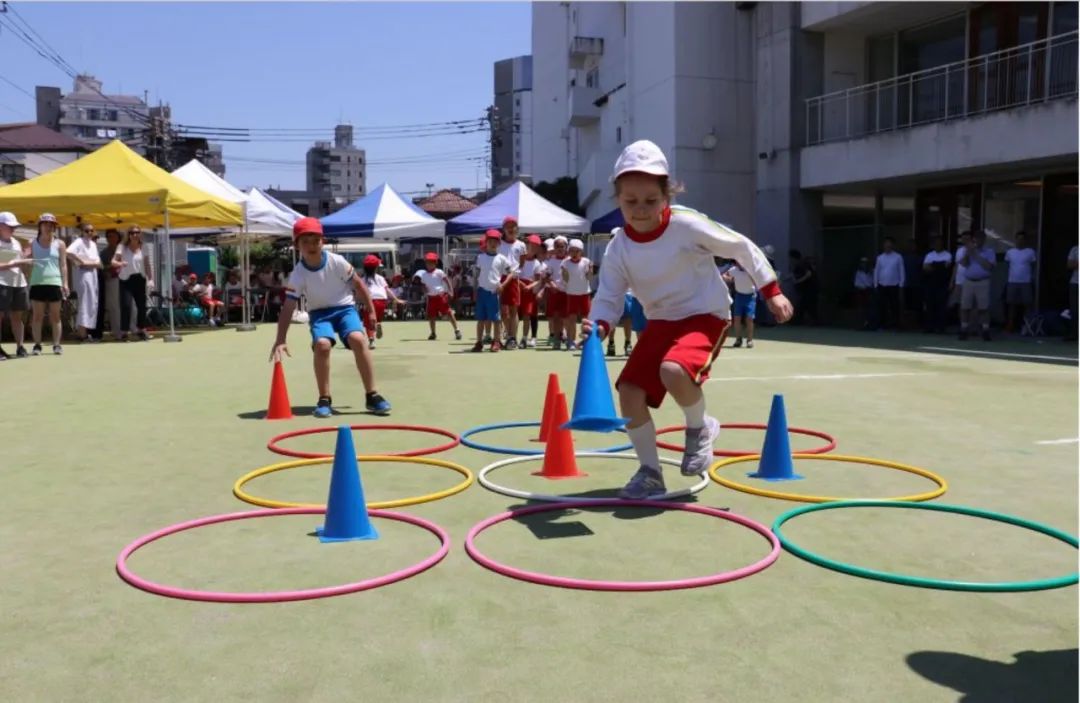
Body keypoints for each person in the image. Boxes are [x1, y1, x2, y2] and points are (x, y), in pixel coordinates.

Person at [582, 140, 793, 499]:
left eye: (651, 200)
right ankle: (650, 472)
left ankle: (700, 427)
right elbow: (609, 295)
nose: (641, 210)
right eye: (630, 202)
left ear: (667, 195)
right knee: (629, 392)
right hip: (661, 321)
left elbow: (739, 246)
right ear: (617, 198)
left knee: (675, 370)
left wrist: (770, 289)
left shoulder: (686, 225)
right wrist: (599, 324)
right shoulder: (618, 247)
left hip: (705, 315)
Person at [269, 217, 391, 418]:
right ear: (296, 245)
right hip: (320, 314)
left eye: (315, 240)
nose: (311, 245)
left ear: (322, 241)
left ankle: (373, 395)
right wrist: (280, 339)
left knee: (358, 339)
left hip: (345, 309)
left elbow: (359, 285)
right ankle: (324, 398)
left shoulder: (337, 262)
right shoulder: (298, 274)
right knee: (323, 345)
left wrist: (370, 311)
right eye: (305, 241)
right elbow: (288, 306)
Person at [28, 213, 69, 355]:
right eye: (45, 224)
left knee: (55, 316)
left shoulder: (60, 243)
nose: (48, 227)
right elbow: (23, 258)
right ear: (40, 226)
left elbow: (63, 264)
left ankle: (57, 345)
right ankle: (37, 345)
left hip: (55, 282)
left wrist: (65, 283)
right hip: (37, 282)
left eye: (51, 225)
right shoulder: (32, 243)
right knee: (37, 316)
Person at [472, 230, 514, 352]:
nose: (492, 243)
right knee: (481, 319)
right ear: (486, 242)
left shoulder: (502, 258)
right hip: (481, 292)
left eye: (495, 241)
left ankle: (496, 342)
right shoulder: (480, 257)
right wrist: (475, 290)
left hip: (493, 293)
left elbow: (511, 272)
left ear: (499, 243)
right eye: (490, 241)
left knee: (496, 319)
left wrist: (503, 285)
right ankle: (479, 342)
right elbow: (477, 275)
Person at [112, 225, 153, 341]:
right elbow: (113, 261)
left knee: (141, 306)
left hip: (139, 278)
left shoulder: (144, 247)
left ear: (140, 234)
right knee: (126, 305)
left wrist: (151, 279)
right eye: (132, 233)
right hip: (125, 279)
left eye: (137, 232)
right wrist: (120, 264)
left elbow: (147, 264)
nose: (135, 235)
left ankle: (141, 329)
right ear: (128, 235)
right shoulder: (122, 247)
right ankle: (124, 331)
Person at [0, 211, 30, 359]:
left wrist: (25, 257)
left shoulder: (16, 242)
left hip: (18, 283)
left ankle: (20, 347)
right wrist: (19, 262)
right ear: (0, 226)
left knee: (17, 316)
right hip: (2, 283)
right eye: (10, 226)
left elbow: (18, 262)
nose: (13, 229)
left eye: (14, 226)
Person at [413, 252, 462, 341]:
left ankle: (457, 330)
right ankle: (433, 333)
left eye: (432, 262)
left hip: (441, 296)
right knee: (431, 316)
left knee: (449, 313)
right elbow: (423, 285)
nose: (429, 264)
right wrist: (424, 289)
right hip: (431, 298)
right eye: (428, 262)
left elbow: (447, 281)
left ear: (435, 263)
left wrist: (451, 291)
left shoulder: (439, 272)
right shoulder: (423, 274)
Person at [359, 254, 404, 349]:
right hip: (381, 301)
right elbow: (387, 290)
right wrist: (396, 299)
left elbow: (359, 292)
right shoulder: (380, 278)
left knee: (368, 323)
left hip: (369, 301)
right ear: (376, 268)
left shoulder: (362, 280)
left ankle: (371, 340)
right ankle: (378, 324)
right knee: (377, 319)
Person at [957, 230, 995, 341]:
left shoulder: (989, 252)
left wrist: (976, 254)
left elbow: (989, 267)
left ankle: (985, 330)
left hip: (983, 281)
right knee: (965, 307)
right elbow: (963, 264)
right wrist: (968, 254)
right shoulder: (967, 250)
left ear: (984, 240)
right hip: (968, 281)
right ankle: (964, 329)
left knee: (984, 308)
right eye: (976, 238)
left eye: (981, 238)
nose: (978, 241)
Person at [66, 223, 102, 342]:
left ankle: (84, 331)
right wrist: (81, 262)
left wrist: (88, 264)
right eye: (87, 231)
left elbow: (98, 263)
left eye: (92, 231)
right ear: (82, 232)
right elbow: (68, 252)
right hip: (84, 276)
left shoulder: (92, 244)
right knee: (85, 303)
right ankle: (82, 333)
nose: (90, 233)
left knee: (92, 302)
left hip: (93, 276)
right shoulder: (79, 241)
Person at [497, 216, 526, 349]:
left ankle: (512, 337)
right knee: (503, 310)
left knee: (514, 309)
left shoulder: (521, 245)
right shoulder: (498, 243)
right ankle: (508, 334)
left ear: (517, 229)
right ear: (503, 229)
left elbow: (522, 262)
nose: (511, 228)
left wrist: (515, 273)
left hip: (513, 279)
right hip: (499, 278)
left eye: (513, 226)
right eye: (508, 226)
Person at [560, 238, 592, 351]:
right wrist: (564, 271)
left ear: (581, 252)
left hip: (584, 294)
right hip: (572, 294)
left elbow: (589, 278)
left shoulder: (586, 261)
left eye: (577, 251)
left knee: (586, 319)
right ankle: (571, 341)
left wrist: (590, 270)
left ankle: (585, 341)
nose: (574, 253)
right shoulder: (565, 263)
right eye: (572, 250)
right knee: (572, 319)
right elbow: (566, 279)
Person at [517, 234, 546, 348]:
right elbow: (515, 274)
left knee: (529, 315)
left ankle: (527, 338)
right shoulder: (519, 259)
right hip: (518, 289)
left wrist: (530, 286)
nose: (532, 249)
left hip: (530, 291)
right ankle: (512, 336)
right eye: (530, 245)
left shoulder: (537, 263)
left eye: (535, 247)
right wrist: (520, 283)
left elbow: (538, 280)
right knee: (515, 314)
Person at [1004, 232, 1037, 334]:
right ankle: (1010, 324)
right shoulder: (1010, 252)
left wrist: (1031, 277)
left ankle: (1027, 325)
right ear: (1015, 240)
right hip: (1012, 281)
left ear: (1025, 240)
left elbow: (1033, 265)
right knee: (1011, 304)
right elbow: (1007, 264)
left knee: (1027, 303)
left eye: (1022, 239)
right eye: (1018, 239)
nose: (1020, 241)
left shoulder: (1030, 252)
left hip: (1025, 281)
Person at [922, 237, 952, 334]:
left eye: (940, 243)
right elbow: (925, 268)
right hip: (930, 284)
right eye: (936, 243)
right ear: (933, 244)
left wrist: (933, 266)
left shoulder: (948, 255)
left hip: (942, 284)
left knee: (941, 306)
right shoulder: (929, 255)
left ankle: (941, 327)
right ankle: (929, 327)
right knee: (930, 305)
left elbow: (947, 267)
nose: (938, 245)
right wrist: (940, 266)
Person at [874, 237, 905, 330]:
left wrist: (901, 284)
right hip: (882, 285)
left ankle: (896, 325)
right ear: (883, 245)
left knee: (894, 306)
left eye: (889, 243)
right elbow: (877, 271)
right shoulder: (880, 258)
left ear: (892, 245)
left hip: (894, 285)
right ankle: (882, 325)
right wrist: (875, 284)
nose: (887, 245)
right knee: (882, 306)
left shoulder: (898, 257)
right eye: (886, 243)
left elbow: (901, 271)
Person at [724, 262, 757, 348]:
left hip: (750, 297)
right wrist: (730, 279)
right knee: (737, 318)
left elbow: (757, 280)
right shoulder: (733, 270)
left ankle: (749, 340)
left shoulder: (751, 270)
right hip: (739, 296)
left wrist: (750, 275)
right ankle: (738, 339)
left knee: (749, 319)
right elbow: (724, 275)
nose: (739, 263)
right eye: (738, 262)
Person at [546, 236, 570, 348]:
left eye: (562, 246)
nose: (559, 249)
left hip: (568, 293)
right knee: (556, 317)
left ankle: (568, 338)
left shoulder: (570, 261)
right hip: (554, 292)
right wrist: (552, 284)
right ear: (554, 248)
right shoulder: (551, 261)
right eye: (557, 246)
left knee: (566, 317)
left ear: (566, 247)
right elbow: (547, 276)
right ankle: (557, 339)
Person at [789, 249, 818, 325]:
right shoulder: (799, 265)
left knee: (805, 306)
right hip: (805, 289)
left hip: (809, 289)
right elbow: (793, 275)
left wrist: (798, 281)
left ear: (793, 258)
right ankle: (799, 321)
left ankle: (798, 321)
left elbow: (808, 274)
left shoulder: (802, 264)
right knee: (805, 306)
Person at [853, 257, 874, 329]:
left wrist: (868, 287)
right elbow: (856, 284)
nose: (864, 264)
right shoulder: (858, 272)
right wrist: (862, 287)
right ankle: (860, 325)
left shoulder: (872, 272)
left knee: (869, 308)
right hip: (860, 292)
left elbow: (872, 282)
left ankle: (869, 324)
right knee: (860, 308)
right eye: (862, 263)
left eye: (865, 263)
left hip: (869, 291)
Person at [1066, 244, 1078, 341]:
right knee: (1074, 310)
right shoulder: (1074, 249)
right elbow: (1069, 265)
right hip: (1075, 283)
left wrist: (1076, 263)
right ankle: (1074, 334)